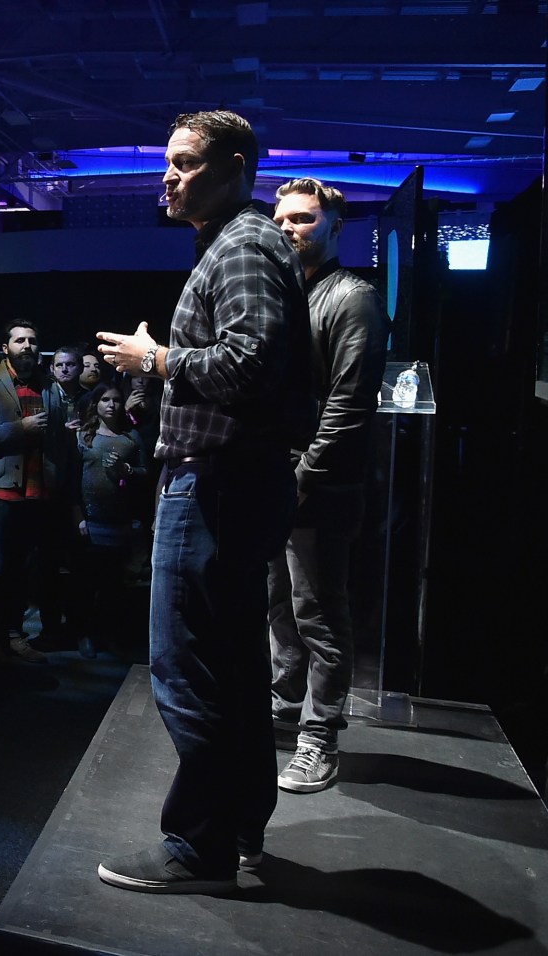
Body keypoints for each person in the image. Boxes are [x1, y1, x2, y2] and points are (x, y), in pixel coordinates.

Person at [94, 110, 314, 893]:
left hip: (214, 481)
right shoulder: (243, 245)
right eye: (169, 163)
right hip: (233, 480)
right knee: (235, 667)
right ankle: (239, 831)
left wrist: (157, 359)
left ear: (235, 167)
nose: (169, 177)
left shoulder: (244, 245)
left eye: (186, 163)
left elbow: (250, 362)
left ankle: (199, 845)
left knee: (190, 669)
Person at [268, 177, 389, 793]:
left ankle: (320, 738)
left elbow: (350, 404)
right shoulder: (290, 293)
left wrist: (303, 478)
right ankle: (286, 708)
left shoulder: (353, 298)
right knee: (279, 606)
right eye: (284, 218)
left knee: (318, 612)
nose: (290, 228)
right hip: (280, 480)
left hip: (323, 485)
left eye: (305, 219)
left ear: (337, 226)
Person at [0, 319, 76, 662]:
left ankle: (13, 634)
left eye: (32, 340)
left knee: (20, 571)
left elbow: (57, 436)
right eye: (19, 341)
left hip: (37, 492)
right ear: (6, 348)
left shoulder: (49, 385)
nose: (27, 346)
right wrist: (20, 428)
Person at [74, 382, 148, 658]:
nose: (111, 405)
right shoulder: (84, 436)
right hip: (91, 520)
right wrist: (77, 515)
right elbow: (72, 478)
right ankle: (86, 634)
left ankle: (111, 635)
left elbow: (145, 474)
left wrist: (126, 469)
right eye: (105, 399)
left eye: (116, 399)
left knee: (115, 586)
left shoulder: (131, 437)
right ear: (97, 404)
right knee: (88, 583)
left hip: (120, 520)